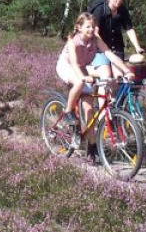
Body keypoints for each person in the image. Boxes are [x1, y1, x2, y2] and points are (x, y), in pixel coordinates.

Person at [56, 12, 135, 157]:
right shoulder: (73, 40)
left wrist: (126, 70)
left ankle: (92, 146)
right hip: (66, 66)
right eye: (87, 27)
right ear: (79, 27)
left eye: (93, 26)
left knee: (89, 110)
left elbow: (110, 55)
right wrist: (83, 77)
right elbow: (73, 62)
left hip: (82, 69)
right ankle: (68, 112)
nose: (91, 30)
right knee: (79, 82)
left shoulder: (95, 39)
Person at [88, 0, 145, 65]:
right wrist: (106, 50)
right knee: (106, 75)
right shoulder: (100, 10)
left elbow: (129, 29)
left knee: (119, 74)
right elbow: (95, 33)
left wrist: (137, 46)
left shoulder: (123, 10)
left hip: (117, 48)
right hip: (99, 50)